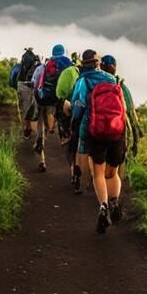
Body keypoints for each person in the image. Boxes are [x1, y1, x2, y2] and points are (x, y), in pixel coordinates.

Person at [70, 49, 127, 233]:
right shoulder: (112, 80)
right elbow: (123, 107)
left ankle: (103, 207)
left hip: (94, 130)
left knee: (99, 173)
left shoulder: (83, 81)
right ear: (97, 63)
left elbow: (78, 107)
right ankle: (114, 201)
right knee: (113, 173)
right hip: (116, 130)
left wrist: (73, 122)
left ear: (83, 64)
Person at [99, 55, 143, 184]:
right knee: (119, 159)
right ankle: (116, 190)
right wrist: (136, 134)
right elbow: (130, 111)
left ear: (101, 67)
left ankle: (100, 187)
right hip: (119, 128)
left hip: (99, 128)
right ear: (115, 68)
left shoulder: (95, 83)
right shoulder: (121, 86)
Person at [32, 43, 73, 172]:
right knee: (66, 134)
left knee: (40, 129)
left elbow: (34, 83)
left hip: (44, 101)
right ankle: (73, 170)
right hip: (62, 103)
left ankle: (42, 160)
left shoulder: (43, 67)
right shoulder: (70, 67)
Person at [57, 56, 84, 192]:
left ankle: (73, 170)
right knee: (80, 144)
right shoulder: (92, 77)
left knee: (69, 145)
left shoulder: (66, 73)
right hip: (84, 116)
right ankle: (82, 173)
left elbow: (59, 93)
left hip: (67, 113)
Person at [14, 47, 40, 139]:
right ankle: (38, 131)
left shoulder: (19, 67)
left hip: (22, 86)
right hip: (33, 87)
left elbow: (13, 79)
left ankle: (27, 129)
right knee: (33, 109)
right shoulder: (37, 67)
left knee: (26, 108)